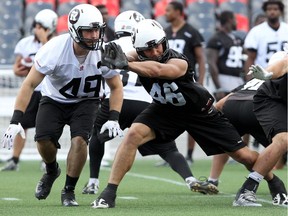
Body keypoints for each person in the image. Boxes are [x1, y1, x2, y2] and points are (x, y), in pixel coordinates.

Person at [91, 19, 274, 209]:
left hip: (198, 112)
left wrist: (125, 65)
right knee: (132, 135)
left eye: (157, 46)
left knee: (244, 156)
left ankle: (273, 181)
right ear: (139, 50)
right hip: (165, 109)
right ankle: (109, 193)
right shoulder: (137, 56)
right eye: (148, 49)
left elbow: (158, 70)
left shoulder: (179, 60)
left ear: (165, 41)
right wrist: (110, 57)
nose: (154, 52)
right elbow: (126, 57)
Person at [82, 10, 218, 196]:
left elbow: (98, 73)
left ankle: (93, 181)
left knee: (97, 137)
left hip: (115, 102)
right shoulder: (146, 48)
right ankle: (190, 179)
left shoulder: (110, 46)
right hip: (144, 102)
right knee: (167, 146)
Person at [1, 4, 123, 207]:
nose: (94, 35)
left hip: (87, 101)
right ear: (75, 30)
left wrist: (114, 117)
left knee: (79, 141)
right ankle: (51, 170)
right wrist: (16, 120)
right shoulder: (54, 49)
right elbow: (29, 84)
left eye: (96, 30)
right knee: (43, 141)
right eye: (88, 31)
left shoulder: (105, 51)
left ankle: (68, 190)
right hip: (54, 100)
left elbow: (116, 87)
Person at [0, 9, 58, 171]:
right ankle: (15, 159)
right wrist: (29, 70)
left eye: (42, 27)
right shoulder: (25, 44)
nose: (38, 29)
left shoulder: (56, 44)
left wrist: (44, 40)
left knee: (47, 126)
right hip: (31, 90)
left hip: (49, 90)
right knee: (21, 124)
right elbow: (16, 70)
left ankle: (47, 160)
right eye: (37, 26)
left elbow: (55, 61)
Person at [233, 53, 288, 206]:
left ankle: (277, 189)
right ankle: (247, 189)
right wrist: (268, 74)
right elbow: (283, 64)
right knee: (284, 139)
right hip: (272, 98)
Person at [156, 1, 206, 165]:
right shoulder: (165, 32)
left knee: (191, 118)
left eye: (168, 10)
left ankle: (190, 155)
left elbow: (200, 58)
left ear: (178, 12)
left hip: (187, 81)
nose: (165, 13)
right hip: (168, 82)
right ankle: (171, 154)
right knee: (167, 117)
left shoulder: (191, 31)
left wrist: (201, 80)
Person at [206, 10, 245, 102]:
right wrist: (219, 88)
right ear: (230, 20)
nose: (236, 22)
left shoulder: (236, 38)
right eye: (235, 19)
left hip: (238, 79)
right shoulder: (216, 38)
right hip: (223, 79)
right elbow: (211, 63)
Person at [244, 0, 288, 80]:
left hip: (285, 75)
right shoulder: (256, 31)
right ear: (265, 11)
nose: (272, 12)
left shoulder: (286, 29)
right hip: (263, 76)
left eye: (275, 9)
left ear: (281, 11)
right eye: (269, 9)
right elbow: (250, 58)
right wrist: (249, 80)